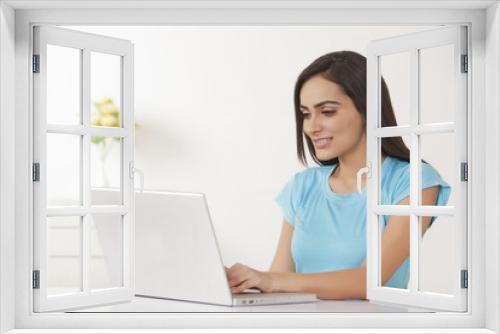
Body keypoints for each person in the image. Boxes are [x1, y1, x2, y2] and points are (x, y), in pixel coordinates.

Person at [224, 50, 451, 300]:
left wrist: (272, 280)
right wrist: (241, 283)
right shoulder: (303, 186)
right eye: (306, 114)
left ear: (368, 110)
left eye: (327, 112)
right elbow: (279, 280)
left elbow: (370, 281)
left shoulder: (412, 181)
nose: (311, 127)